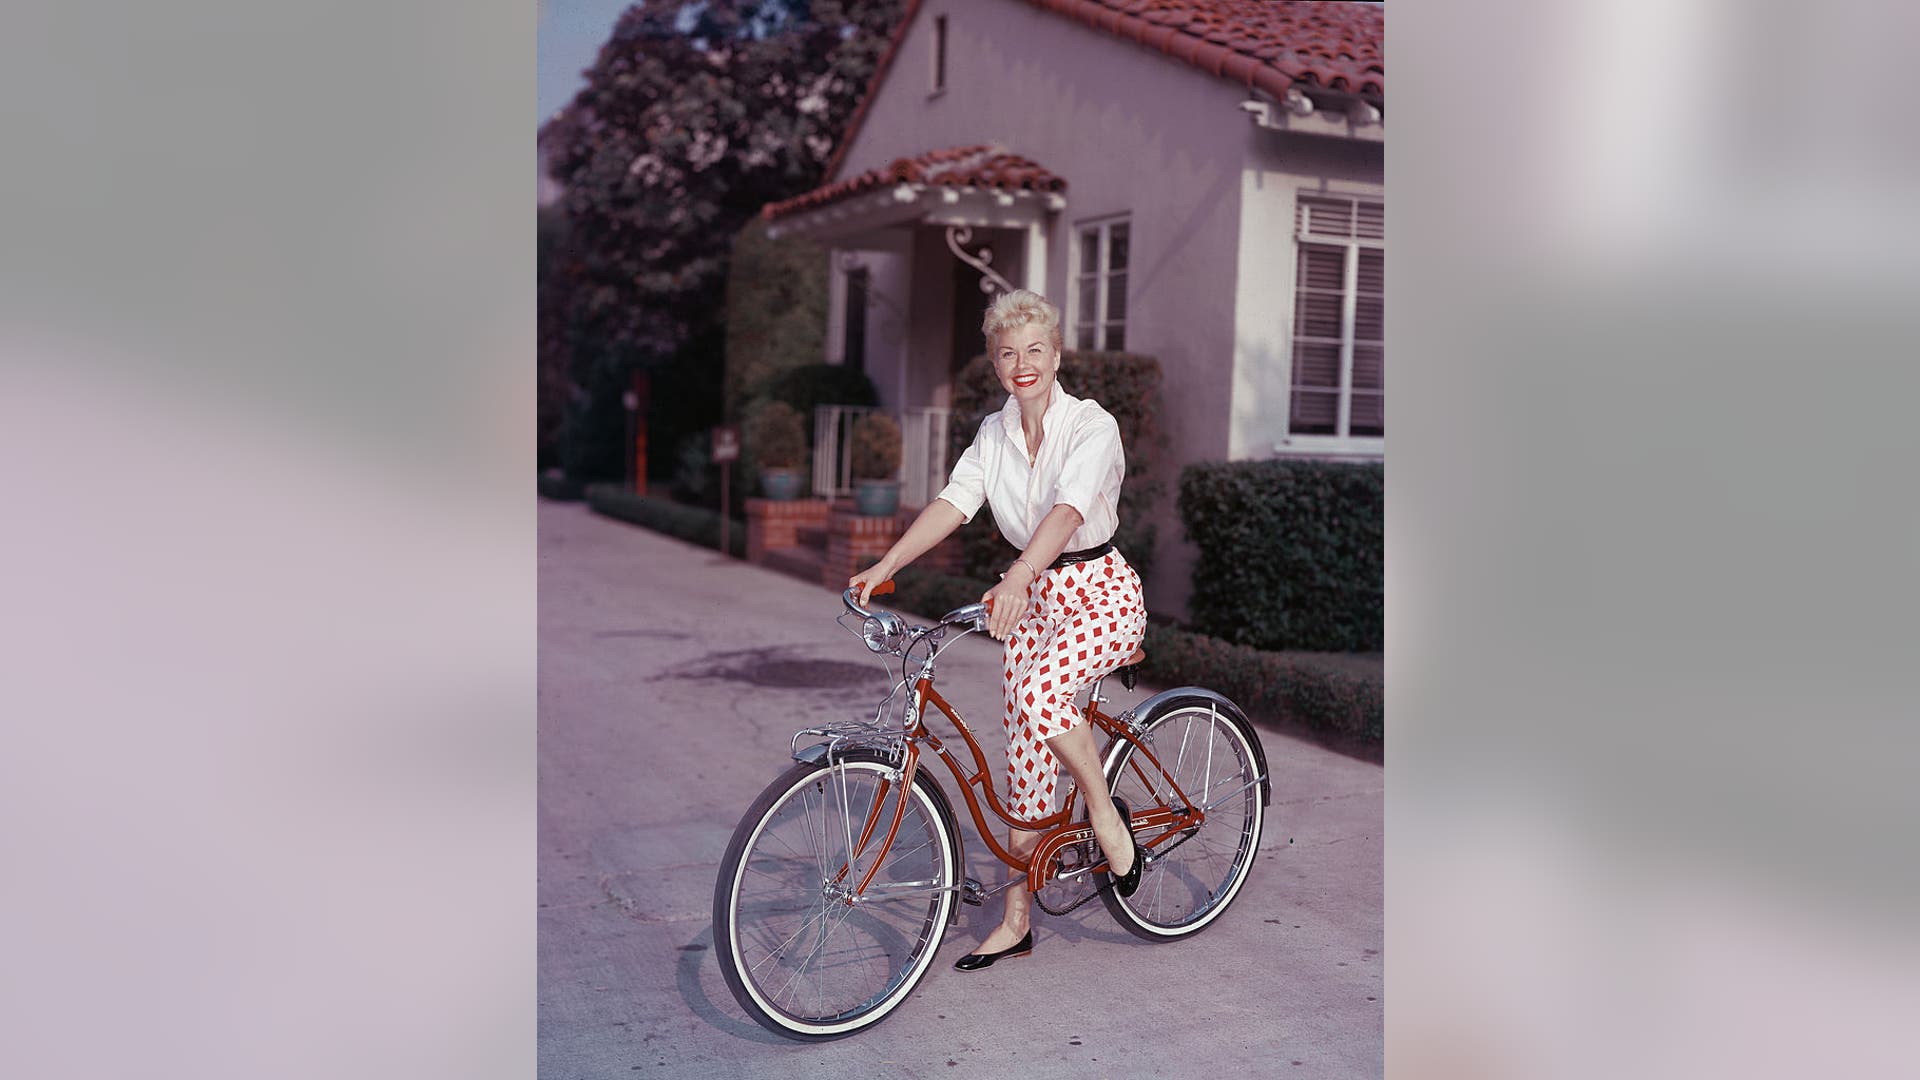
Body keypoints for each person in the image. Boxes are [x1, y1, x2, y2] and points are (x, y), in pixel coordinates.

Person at [847, 288, 1149, 971]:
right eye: (1008, 353)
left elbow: (1070, 513)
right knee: (1024, 758)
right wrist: (887, 563)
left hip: (1101, 592)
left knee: (1043, 699)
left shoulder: (1091, 424)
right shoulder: (993, 433)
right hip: (1036, 600)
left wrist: (1015, 577)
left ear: (1057, 353)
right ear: (995, 362)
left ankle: (1104, 814)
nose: (1023, 364)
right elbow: (955, 502)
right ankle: (1017, 919)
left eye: (1035, 350)